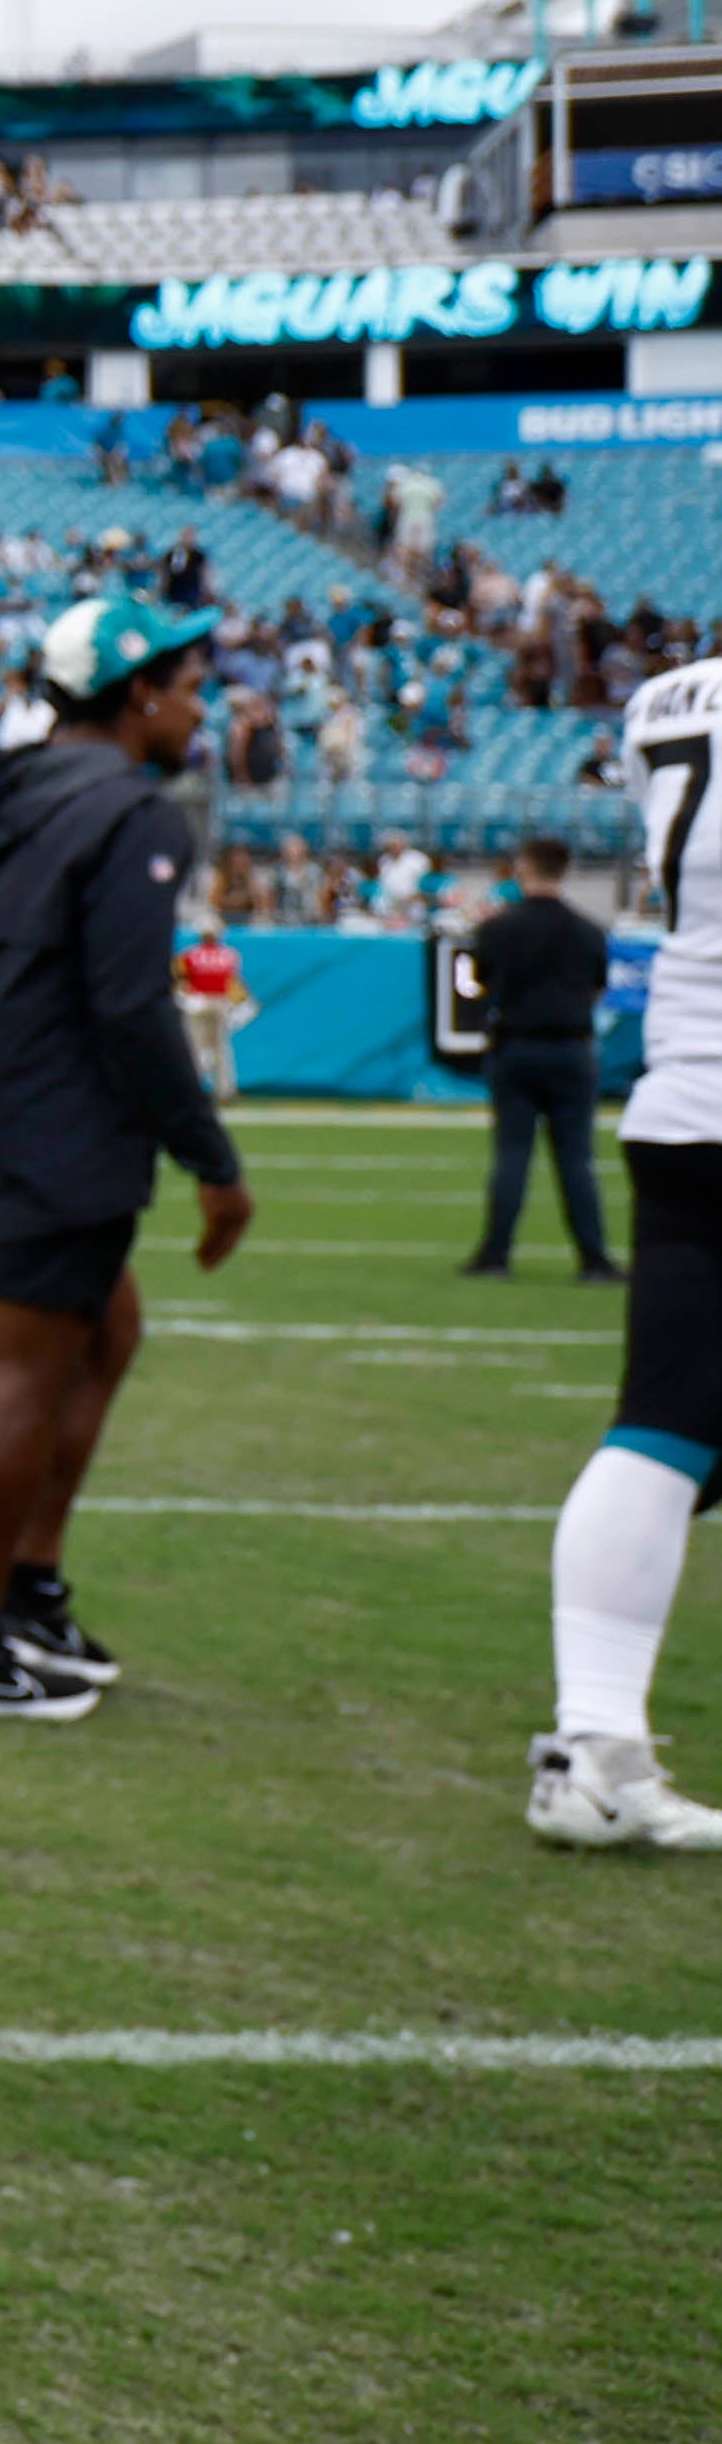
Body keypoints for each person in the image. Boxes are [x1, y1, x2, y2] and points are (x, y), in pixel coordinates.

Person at [0, 597, 254, 1721]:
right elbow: (126, 1006)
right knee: (25, 1372)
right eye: (188, 687)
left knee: (106, 1330)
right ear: (135, 693)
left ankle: (27, 1588)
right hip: (59, 1119)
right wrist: (210, 1157)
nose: (199, 708)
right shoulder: (132, 814)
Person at [533, 644, 722, 1845]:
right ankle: (594, 1747)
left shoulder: (664, 698)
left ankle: (596, 1746)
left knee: (665, 1425)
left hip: (684, 1093)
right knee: (665, 1432)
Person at [467, 831, 619, 1281]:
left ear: (524, 869)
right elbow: (598, 985)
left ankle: (496, 1255)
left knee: (512, 1153)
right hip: (572, 1048)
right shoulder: (588, 930)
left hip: (516, 1045)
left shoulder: (499, 927)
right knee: (576, 1157)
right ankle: (593, 1258)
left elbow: (479, 982)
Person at [175, 921, 256, 1104]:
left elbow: (180, 980)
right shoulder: (229, 955)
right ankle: (225, 1090)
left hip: (197, 1003)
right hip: (220, 1003)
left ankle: (192, 1089)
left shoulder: (190, 955)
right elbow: (231, 982)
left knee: (195, 1049)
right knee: (221, 1049)